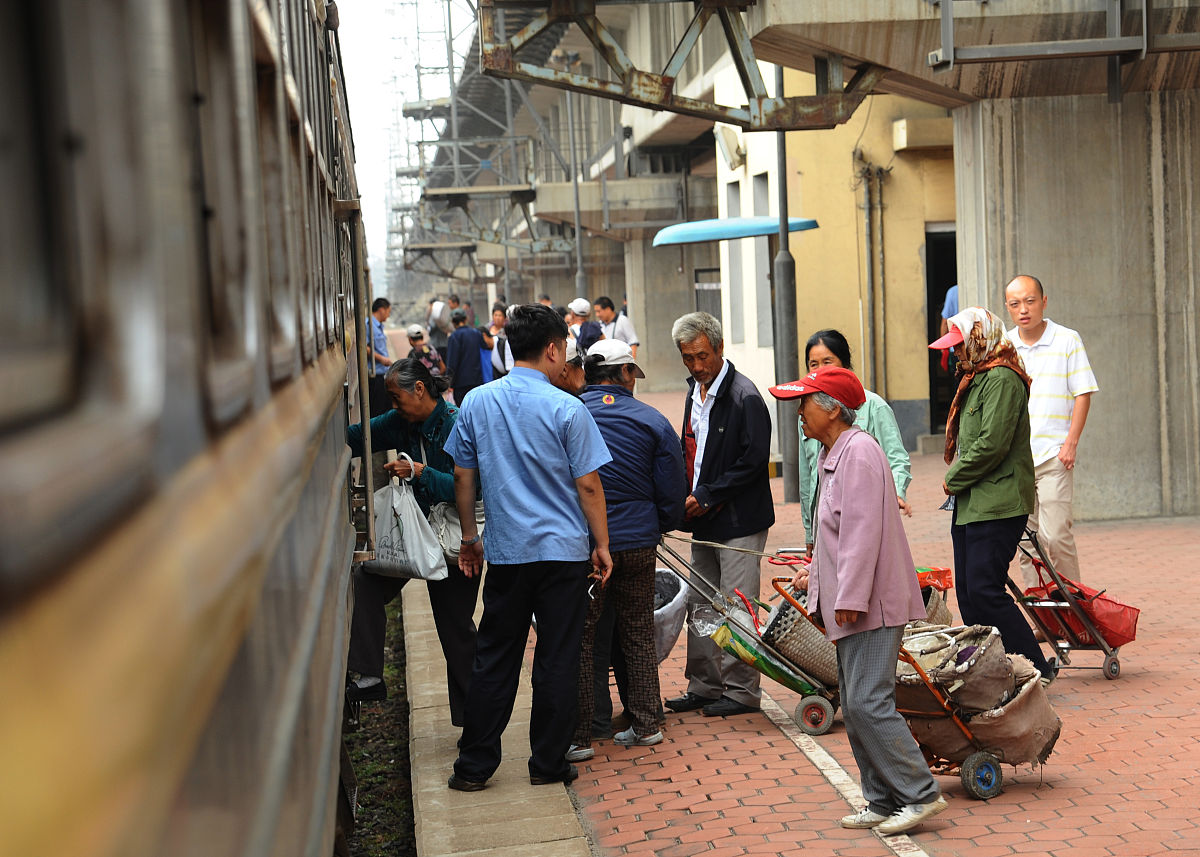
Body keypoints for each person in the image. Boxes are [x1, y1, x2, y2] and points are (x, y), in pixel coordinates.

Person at [769, 366, 947, 836]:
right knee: (855, 700)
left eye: (805, 403)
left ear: (832, 409)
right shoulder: (836, 453)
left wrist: (847, 593)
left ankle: (920, 793)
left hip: (871, 603)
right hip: (856, 601)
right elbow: (838, 535)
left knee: (868, 702)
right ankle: (882, 799)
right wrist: (816, 575)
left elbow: (863, 535)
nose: (799, 412)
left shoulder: (859, 452)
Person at [443, 304, 614, 791]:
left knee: (495, 657)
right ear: (554, 349)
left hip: (507, 554)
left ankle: (474, 767)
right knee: (557, 658)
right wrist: (602, 544)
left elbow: (462, 475)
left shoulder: (476, 402)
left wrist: (469, 539)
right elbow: (588, 485)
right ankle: (547, 764)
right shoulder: (568, 408)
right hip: (562, 555)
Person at [567, 340, 688, 760]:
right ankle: (647, 725)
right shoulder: (652, 420)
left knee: (582, 638)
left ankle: (579, 736)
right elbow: (672, 490)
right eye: (633, 373)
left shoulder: (569, 413)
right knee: (637, 632)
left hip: (586, 545)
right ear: (623, 373)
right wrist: (661, 525)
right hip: (638, 542)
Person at [344, 359, 479, 727]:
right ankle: (369, 676)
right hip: (414, 535)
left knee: (456, 632)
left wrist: (420, 473)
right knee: (366, 580)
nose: (393, 405)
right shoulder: (400, 422)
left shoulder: (455, 424)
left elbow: (470, 486)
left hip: (454, 541)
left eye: (395, 397)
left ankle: (476, 721)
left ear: (419, 389)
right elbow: (358, 436)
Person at [929, 307, 1056, 684]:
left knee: (985, 590)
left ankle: (1034, 667)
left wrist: (954, 477)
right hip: (972, 502)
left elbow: (992, 444)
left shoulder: (1002, 377)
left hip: (999, 502)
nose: (955, 352)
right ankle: (993, 668)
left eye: (959, 344)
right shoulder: (976, 375)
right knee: (969, 594)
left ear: (979, 337)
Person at [665, 311, 774, 718]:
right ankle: (704, 685)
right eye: (688, 358)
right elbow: (690, 451)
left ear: (719, 348)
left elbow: (753, 461)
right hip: (704, 517)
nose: (696, 366)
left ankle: (742, 691)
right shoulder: (694, 392)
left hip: (739, 520)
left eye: (702, 356)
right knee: (700, 602)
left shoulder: (745, 396)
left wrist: (708, 495)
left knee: (737, 605)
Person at [1004, 274, 1098, 587]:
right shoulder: (1006, 346)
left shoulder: (1067, 339)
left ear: (1044, 302)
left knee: (1056, 536)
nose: (1023, 309)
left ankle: (1074, 603)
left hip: (1053, 456)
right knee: (1027, 542)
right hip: (1017, 460)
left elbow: (1083, 393)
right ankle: (1041, 608)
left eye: (1030, 301)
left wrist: (1070, 444)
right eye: (1015, 304)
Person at [799, 330, 911, 557]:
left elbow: (897, 458)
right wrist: (810, 532)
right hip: (825, 521)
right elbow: (807, 481)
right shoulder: (807, 414)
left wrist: (896, 493)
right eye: (813, 364)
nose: (820, 370)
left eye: (827, 362)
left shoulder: (873, 406)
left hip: (859, 518)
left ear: (845, 364)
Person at [445, 308, 485, 405]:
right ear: (466, 319)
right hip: (478, 380)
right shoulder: (476, 333)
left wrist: (449, 382)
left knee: (463, 410)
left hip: (461, 384)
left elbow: (452, 362)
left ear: (453, 322)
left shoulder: (454, 337)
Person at [367, 297, 393, 417]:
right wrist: (381, 359)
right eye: (388, 311)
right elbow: (364, 347)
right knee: (377, 410)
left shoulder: (378, 326)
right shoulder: (368, 325)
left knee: (387, 408)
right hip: (375, 376)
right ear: (381, 310)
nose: (388, 315)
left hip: (383, 374)